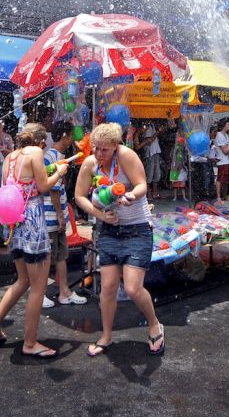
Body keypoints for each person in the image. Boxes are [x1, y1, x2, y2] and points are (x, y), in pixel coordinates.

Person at [74, 123, 164, 358]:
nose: (98, 154)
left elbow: (142, 184)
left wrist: (131, 195)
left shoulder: (126, 156)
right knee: (108, 287)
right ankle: (105, 336)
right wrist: (101, 215)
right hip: (110, 232)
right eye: (95, 148)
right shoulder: (90, 163)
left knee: (133, 288)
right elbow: (79, 196)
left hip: (137, 229)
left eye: (104, 149)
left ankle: (154, 324)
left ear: (116, 146)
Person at [0, 123, 67, 357]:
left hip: (14, 223)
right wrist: (58, 173)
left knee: (22, 281)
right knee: (38, 288)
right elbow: (41, 188)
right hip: (32, 221)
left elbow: (17, 186)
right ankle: (30, 343)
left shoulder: (11, 157)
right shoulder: (36, 153)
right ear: (41, 142)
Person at [43, 121, 86, 308]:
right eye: (69, 135)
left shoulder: (56, 155)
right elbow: (53, 188)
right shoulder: (52, 157)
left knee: (61, 254)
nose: (71, 140)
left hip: (55, 213)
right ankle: (40, 293)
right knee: (48, 256)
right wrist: (60, 214)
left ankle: (64, 292)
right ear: (63, 136)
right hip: (50, 214)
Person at [136, 120, 163, 199]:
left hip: (155, 152)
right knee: (149, 175)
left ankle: (154, 192)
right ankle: (148, 193)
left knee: (156, 174)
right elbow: (149, 141)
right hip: (149, 153)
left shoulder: (151, 124)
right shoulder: (144, 125)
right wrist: (158, 131)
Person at [213, 117, 229, 200]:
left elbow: (228, 149)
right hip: (222, 161)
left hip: (227, 161)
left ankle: (224, 196)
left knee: (226, 180)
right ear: (224, 125)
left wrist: (228, 148)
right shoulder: (219, 135)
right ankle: (219, 196)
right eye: (228, 124)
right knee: (220, 179)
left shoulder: (225, 135)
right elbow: (225, 150)